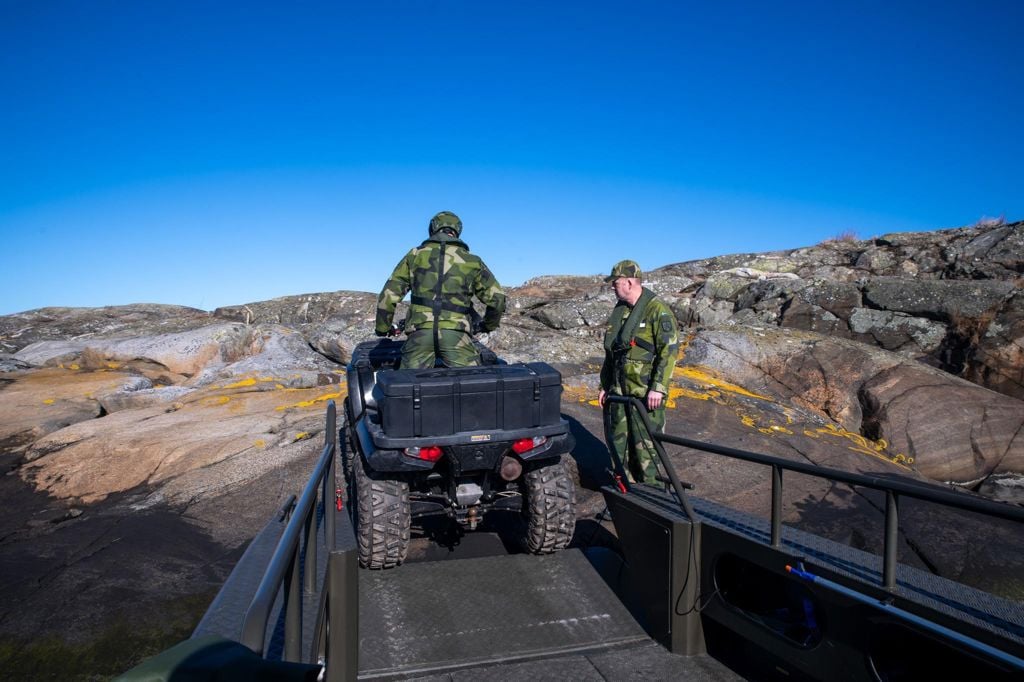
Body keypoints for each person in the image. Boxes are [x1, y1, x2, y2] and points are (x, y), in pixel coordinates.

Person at [375, 211, 506, 369]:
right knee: (470, 384)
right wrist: (488, 326)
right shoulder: (472, 260)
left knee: (408, 386)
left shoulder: (415, 255)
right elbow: (498, 299)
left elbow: (387, 296)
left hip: (420, 332)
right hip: (456, 334)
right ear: (457, 230)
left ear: (433, 228)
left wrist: (383, 328)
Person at [598, 259, 679, 485]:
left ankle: (651, 496)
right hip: (619, 393)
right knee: (619, 446)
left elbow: (669, 351)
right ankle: (626, 492)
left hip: (645, 395)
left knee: (646, 450)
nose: (613, 286)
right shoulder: (621, 312)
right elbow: (611, 354)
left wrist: (658, 388)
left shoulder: (657, 311)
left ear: (630, 282)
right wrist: (605, 386)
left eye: (616, 283)